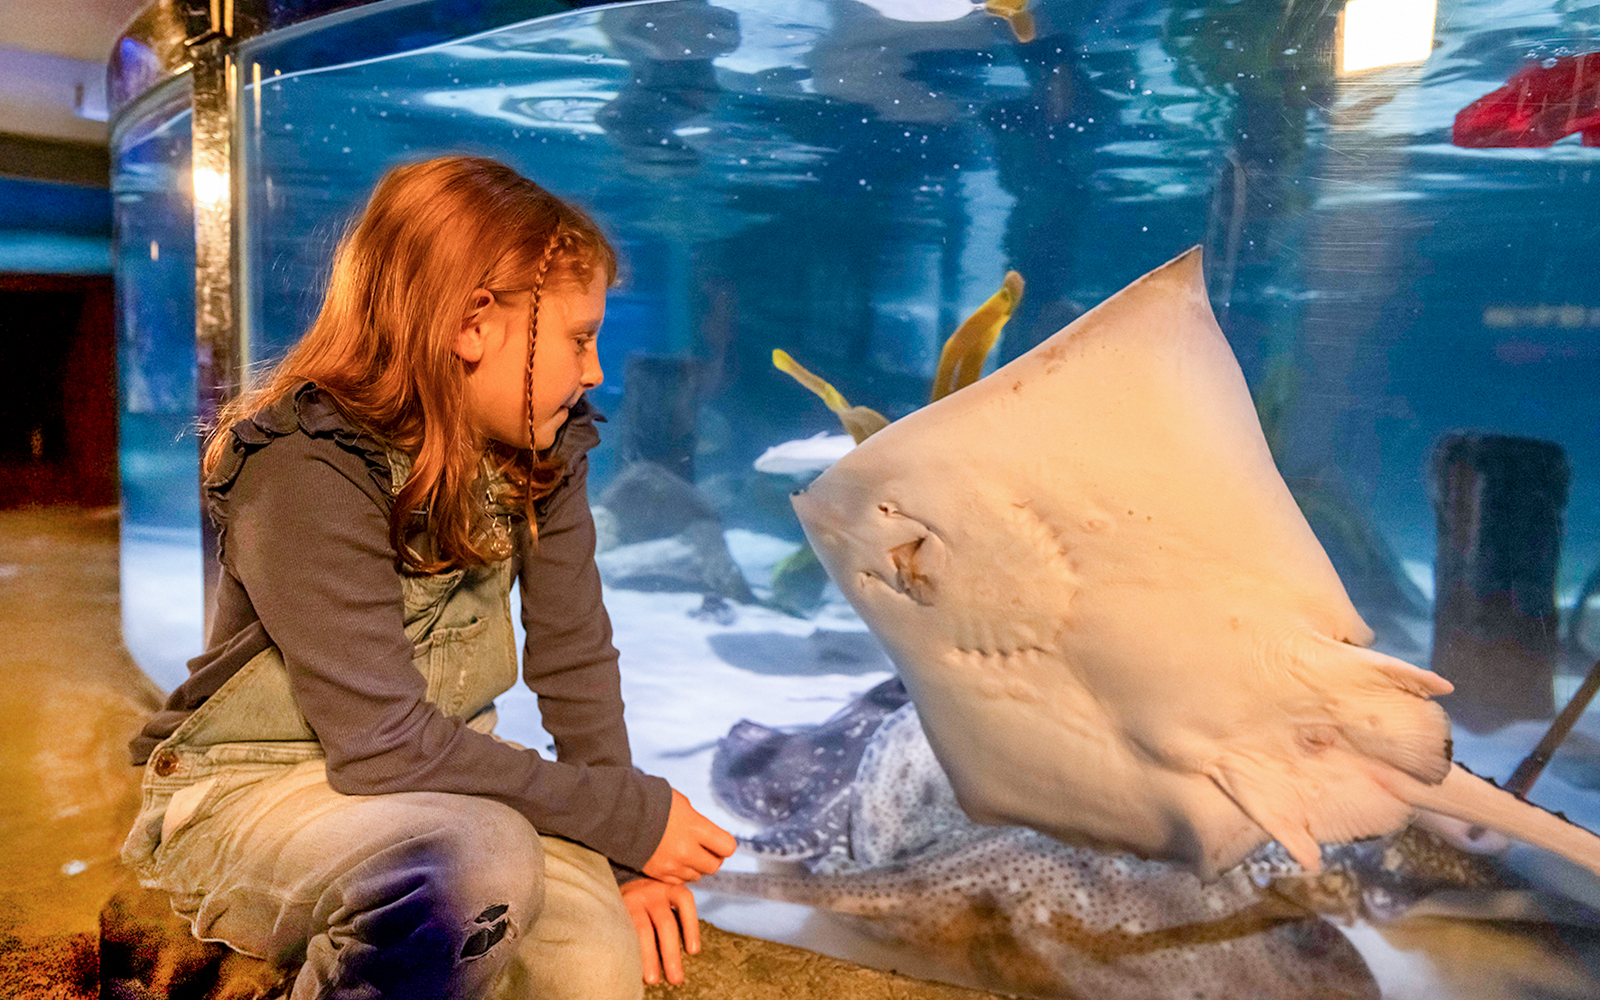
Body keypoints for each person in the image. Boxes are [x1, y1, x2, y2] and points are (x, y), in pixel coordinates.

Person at [121, 156, 737, 999]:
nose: (595, 371)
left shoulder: (542, 450)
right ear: (473, 323)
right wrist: (622, 811)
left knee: (592, 963)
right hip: (253, 785)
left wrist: (632, 859)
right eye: (579, 337)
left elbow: (575, 658)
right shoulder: (305, 465)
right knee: (475, 867)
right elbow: (382, 745)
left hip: (447, 781)